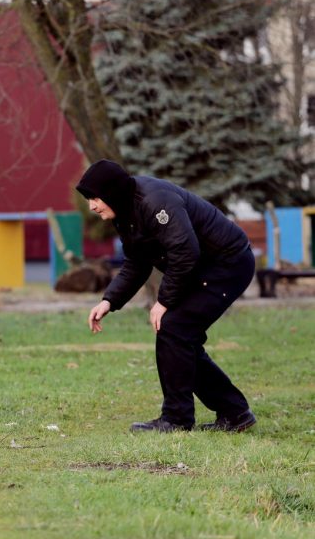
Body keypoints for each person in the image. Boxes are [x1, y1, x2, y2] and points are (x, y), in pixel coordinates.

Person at [76, 159, 256, 433]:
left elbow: (185, 252)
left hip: (227, 264)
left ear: (112, 192)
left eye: (95, 198)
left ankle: (176, 419)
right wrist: (108, 300)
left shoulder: (155, 202)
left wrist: (164, 302)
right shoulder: (125, 212)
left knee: (173, 328)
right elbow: (137, 262)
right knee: (180, 337)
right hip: (202, 267)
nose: (92, 205)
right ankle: (233, 412)